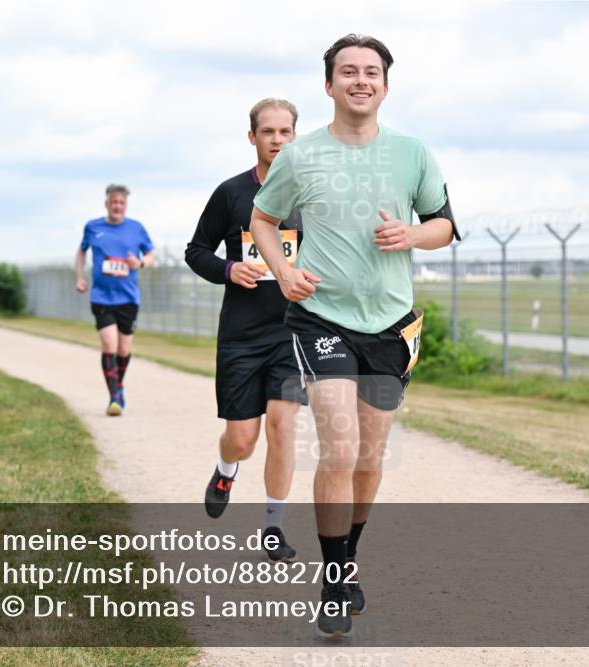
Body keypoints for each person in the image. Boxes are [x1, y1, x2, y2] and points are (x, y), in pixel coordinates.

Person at [250, 34, 459, 638]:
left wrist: (413, 237)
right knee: (339, 448)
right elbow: (263, 219)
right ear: (329, 85)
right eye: (348, 71)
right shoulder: (299, 156)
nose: (360, 80)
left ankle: (347, 559)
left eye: (371, 71)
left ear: (385, 86)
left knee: (369, 457)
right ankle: (335, 578)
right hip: (321, 318)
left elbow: (445, 225)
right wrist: (285, 272)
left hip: (390, 324)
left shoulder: (413, 153)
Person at [185, 98, 307, 562]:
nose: (277, 140)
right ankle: (224, 471)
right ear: (252, 137)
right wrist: (229, 269)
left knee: (282, 428)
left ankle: (274, 526)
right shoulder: (231, 193)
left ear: (296, 136)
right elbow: (197, 251)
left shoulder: (310, 194)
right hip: (240, 334)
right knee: (243, 439)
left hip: (292, 333)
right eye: (268, 132)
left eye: (285, 132)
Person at [75, 184, 156, 416]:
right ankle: (115, 397)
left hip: (129, 297)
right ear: (106, 204)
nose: (117, 206)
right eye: (114, 202)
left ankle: (119, 385)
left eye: (121, 203)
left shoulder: (136, 228)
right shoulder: (93, 227)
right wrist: (80, 277)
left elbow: (151, 255)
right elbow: (81, 251)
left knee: (123, 349)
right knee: (109, 343)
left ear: (125, 205)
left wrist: (139, 263)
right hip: (101, 296)